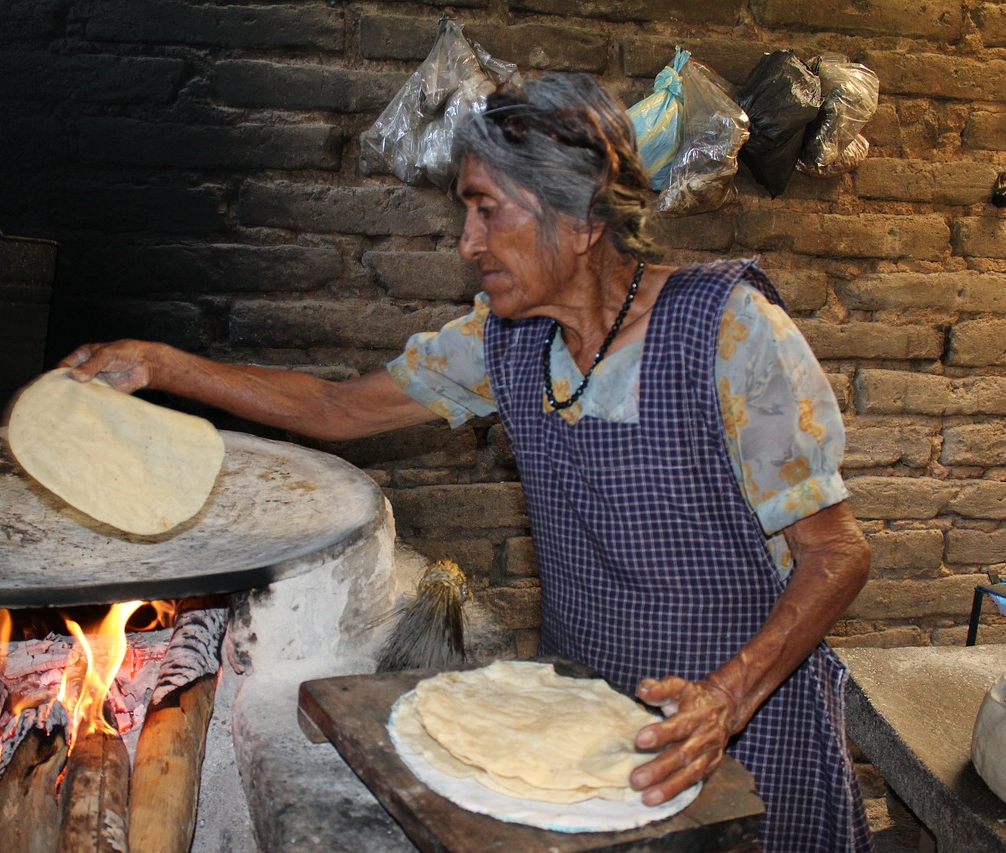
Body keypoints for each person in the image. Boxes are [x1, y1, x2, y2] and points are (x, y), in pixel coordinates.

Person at [62, 72, 873, 852]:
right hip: (585, 725)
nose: (466, 242)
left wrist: (726, 698)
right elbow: (337, 407)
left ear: (582, 214)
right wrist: (164, 365)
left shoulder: (728, 333)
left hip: (749, 726)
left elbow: (837, 552)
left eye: (486, 209)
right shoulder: (505, 342)